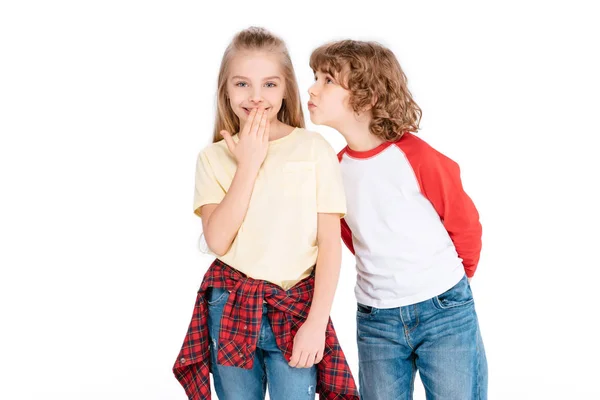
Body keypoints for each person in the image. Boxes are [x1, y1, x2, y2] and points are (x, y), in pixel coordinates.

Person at [173, 27, 358, 400]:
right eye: (242, 84)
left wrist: (317, 322)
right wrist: (248, 164)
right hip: (230, 306)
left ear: (287, 88)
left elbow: (329, 243)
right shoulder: (212, 158)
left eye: (269, 84)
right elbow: (218, 239)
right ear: (226, 89)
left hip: (296, 308)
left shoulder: (313, 148)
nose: (256, 97)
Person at [307, 39, 488, 399]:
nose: (311, 88)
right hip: (377, 320)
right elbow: (349, 235)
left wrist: (452, 284)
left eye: (327, 80)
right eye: (314, 77)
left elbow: (464, 222)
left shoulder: (415, 156)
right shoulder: (334, 169)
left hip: (444, 310)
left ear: (367, 96)